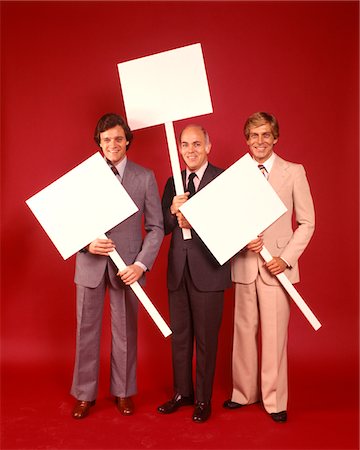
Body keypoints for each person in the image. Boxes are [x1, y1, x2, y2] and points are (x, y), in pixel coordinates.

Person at [223, 112, 315, 422]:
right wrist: (239, 238)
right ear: (246, 139)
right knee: (243, 331)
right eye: (253, 135)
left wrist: (286, 258)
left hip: (278, 266)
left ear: (275, 137)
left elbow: (307, 222)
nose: (259, 141)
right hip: (245, 264)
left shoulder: (293, 172)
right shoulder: (236, 175)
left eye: (265, 135)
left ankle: (275, 400)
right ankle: (243, 393)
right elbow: (225, 221)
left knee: (274, 335)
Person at [71, 113, 164, 419]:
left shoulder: (144, 176)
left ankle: (123, 392)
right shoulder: (84, 177)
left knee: (125, 333)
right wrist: (86, 243)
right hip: (90, 264)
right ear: (99, 143)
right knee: (86, 331)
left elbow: (156, 227)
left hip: (128, 269)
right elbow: (68, 221)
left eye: (118, 138)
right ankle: (85, 394)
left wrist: (141, 264)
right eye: (106, 139)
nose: (113, 144)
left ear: (127, 141)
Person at [157, 124, 231, 423]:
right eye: (185, 144)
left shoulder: (224, 180)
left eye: (197, 144)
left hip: (209, 271)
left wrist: (195, 222)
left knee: (206, 339)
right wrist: (173, 213)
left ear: (208, 146)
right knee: (181, 337)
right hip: (178, 270)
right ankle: (182, 393)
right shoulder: (172, 182)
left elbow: (231, 228)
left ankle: (203, 398)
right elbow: (160, 227)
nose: (190, 150)